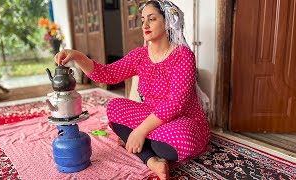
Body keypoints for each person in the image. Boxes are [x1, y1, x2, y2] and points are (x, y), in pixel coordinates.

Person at [54, 0, 210, 179]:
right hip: (151, 115)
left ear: (167, 22)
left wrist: (139, 131)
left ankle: (141, 143)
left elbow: (175, 103)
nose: (144, 25)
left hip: (182, 119)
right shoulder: (140, 55)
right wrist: (78, 56)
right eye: (143, 20)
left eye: (151, 19)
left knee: (174, 141)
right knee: (114, 107)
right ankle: (150, 159)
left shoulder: (183, 56)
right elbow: (107, 74)